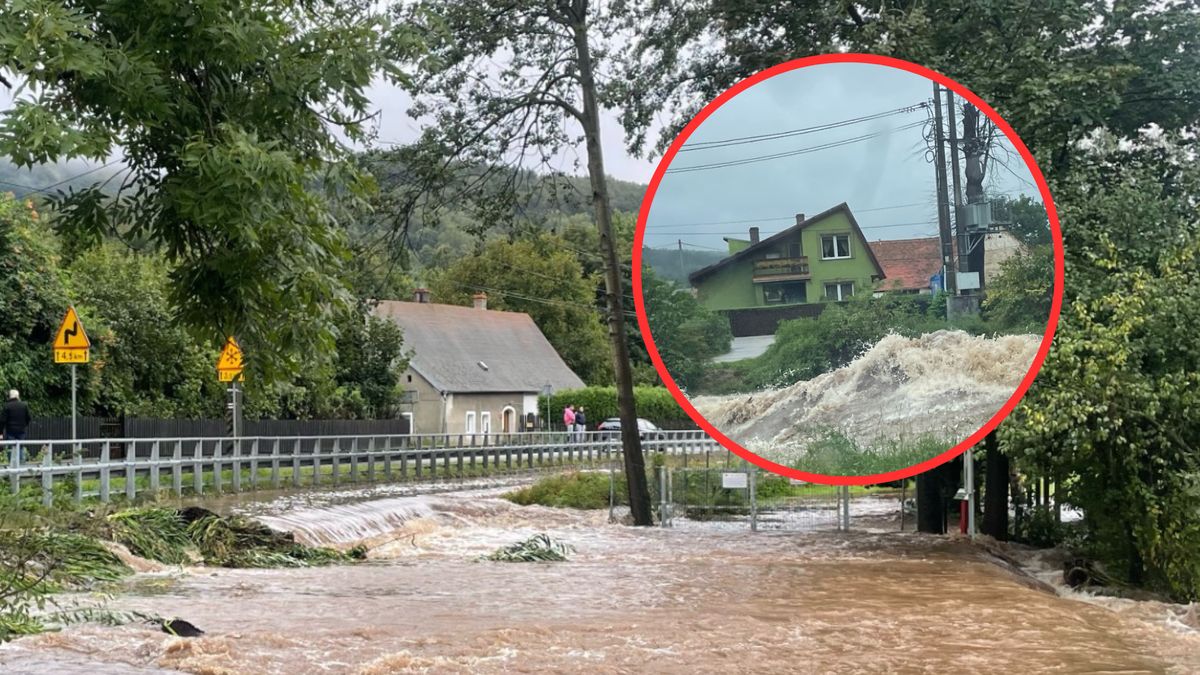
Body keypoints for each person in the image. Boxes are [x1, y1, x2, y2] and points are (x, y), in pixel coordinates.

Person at [1, 389, 32, 463]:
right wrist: (24, 425)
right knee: (20, 447)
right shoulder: (24, 405)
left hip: (10, 430)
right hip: (21, 430)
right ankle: (21, 464)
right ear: (18, 396)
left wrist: (0, 432)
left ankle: (11, 465)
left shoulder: (7, 406)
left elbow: (2, 421)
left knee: (11, 448)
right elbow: (28, 418)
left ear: (10, 396)